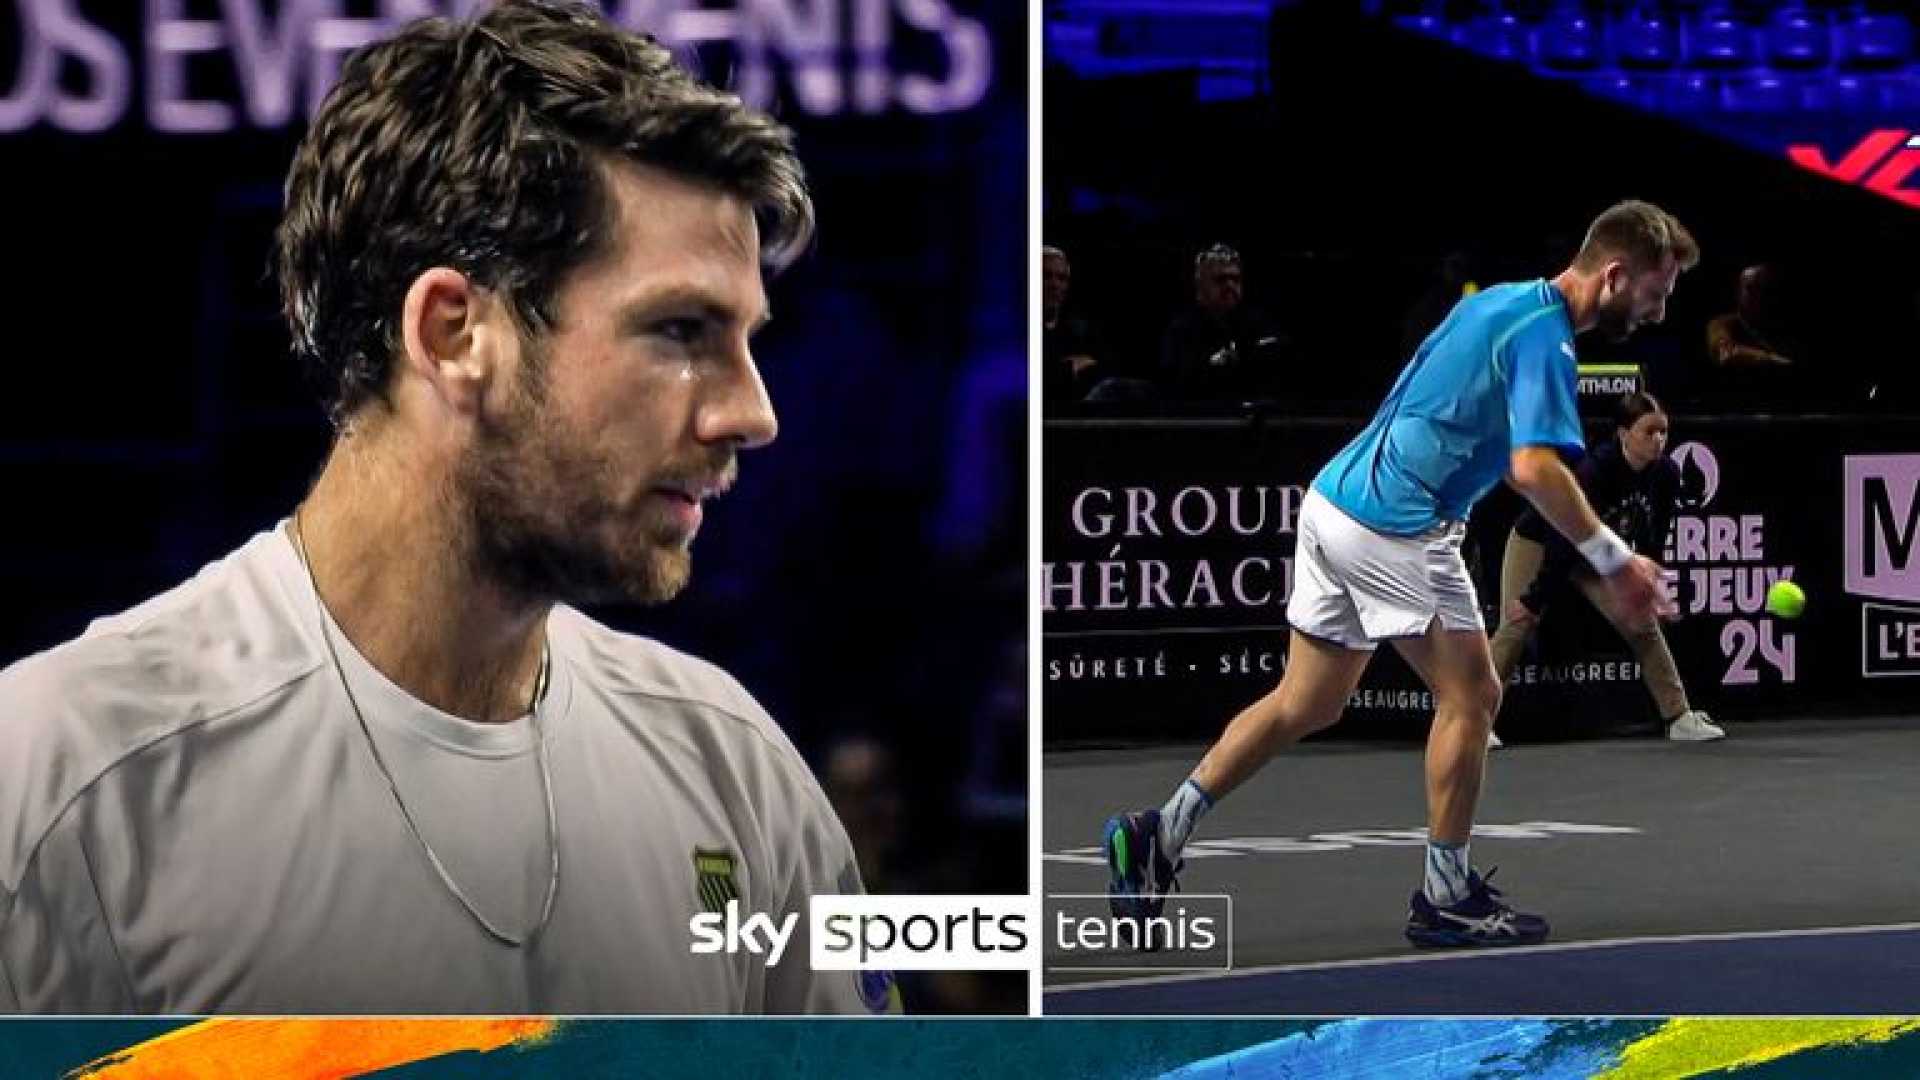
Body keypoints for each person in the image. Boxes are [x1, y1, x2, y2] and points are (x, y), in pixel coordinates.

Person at [0, 1, 890, 1015]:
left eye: (746, 340)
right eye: (681, 331)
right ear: (454, 333)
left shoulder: (738, 773)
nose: (753, 412)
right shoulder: (66, 780)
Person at [1105, 201, 1695, 949]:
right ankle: (1447, 895)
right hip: (1394, 518)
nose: (1660, 310)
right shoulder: (1546, 340)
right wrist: (1616, 559)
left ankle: (1158, 832)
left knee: (1306, 701)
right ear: (1614, 275)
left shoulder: (1503, 303)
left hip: (1333, 502)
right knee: (1474, 693)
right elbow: (1533, 465)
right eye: (1656, 291)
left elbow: (1494, 447)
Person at [1487, 392, 1724, 747]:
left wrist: (1648, 586)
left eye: (1664, 432)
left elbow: (1655, 536)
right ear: (1624, 433)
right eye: (1649, 432)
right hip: (1542, 541)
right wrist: (1535, 599)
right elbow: (1561, 542)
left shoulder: (1666, 475)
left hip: (1595, 555)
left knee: (1641, 622)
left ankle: (1678, 717)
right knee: (1518, 621)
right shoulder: (1594, 471)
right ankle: (1473, 721)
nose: (1659, 440)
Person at [1159, 244, 1288, 402]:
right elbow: (1179, 382)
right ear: (1200, 287)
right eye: (1220, 280)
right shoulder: (1182, 330)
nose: (1230, 286)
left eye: (1235, 279)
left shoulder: (1259, 323)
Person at [1043, 245, 1102, 411]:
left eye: (1061, 278)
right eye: (1046, 276)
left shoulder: (1078, 329)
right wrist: (1069, 369)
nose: (1054, 285)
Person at [1705, 264, 1792, 369]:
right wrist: (1771, 358)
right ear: (1738, 292)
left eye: (1763, 288)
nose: (1758, 295)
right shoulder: (1722, 324)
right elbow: (1724, 351)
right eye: (1750, 288)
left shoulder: (1776, 325)